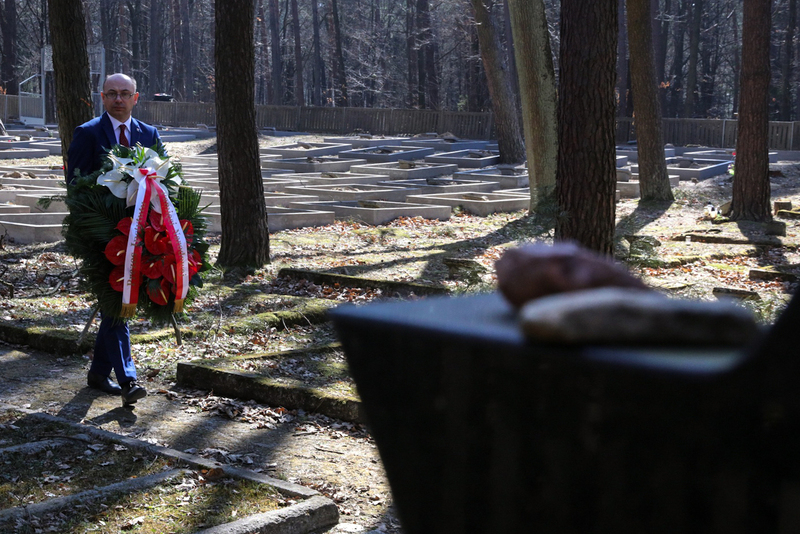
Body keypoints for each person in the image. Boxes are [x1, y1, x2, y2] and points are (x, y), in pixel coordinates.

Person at [67, 73, 165, 406]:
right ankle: (129, 380)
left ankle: (98, 373)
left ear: (136, 98)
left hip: (142, 237)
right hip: (103, 238)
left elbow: (167, 183)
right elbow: (75, 188)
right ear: (102, 97)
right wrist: (93, 227)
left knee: (118, 305)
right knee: (117, 304)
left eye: (125, 94)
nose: (118, 100)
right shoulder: (88, 134)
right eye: (112, 94)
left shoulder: (149, 135)